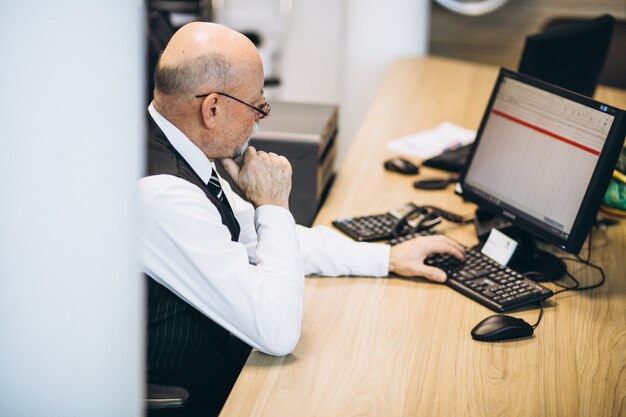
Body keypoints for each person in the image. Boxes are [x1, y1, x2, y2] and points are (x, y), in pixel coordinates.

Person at [139, 21, 464, 416]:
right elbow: (277, 332)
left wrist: (386, 259)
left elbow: (253, 237)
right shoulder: (163, 195)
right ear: (212, 108)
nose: (259, 121)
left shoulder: (172, 145)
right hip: (203, 391)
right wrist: (273, 205)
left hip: (227, 362)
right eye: (258, 106)